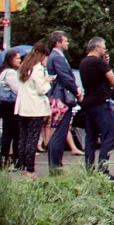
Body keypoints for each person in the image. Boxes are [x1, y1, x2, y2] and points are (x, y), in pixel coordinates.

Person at [78, 37, 114, 177]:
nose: (105, 50)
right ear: (96, 48)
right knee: (109, 134)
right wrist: (106, 64)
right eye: (103, 48)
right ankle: (103, 170)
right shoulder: (99, 62)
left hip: (88, 102)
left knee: (91, 136)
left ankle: (89, 170)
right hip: (100, 102)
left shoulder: (83, 62)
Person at [14, 42, 52, 177]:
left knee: (23, 138)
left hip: (22, 107)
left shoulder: (23, 67)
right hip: (35, 108)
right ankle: (30, 169)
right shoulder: (38, 68)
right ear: (41, 55)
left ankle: (23, 167)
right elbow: (41, 89)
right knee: (32, 138)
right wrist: (48, 82)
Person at [45, 31, 82, 172]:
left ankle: (56, 163)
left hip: (58, 96)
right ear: (58, 42)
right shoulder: (57, 58)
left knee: (60, 129)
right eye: (65, 41)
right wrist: (76, 89)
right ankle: (55, 164)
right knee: (60, 130)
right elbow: (65, 77)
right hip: (62, 98)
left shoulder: (55, 56)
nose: (67, 43)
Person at [0, 50, 22, 169]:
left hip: (4, 106)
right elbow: (18, 89)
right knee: (14, 134)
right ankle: (15, 161)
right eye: (18, 58)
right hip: (10, 106)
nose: (20, 61)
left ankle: (4, 160)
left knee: (7, 133)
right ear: (11, 60)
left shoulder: (3, 72)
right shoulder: (10, 73)